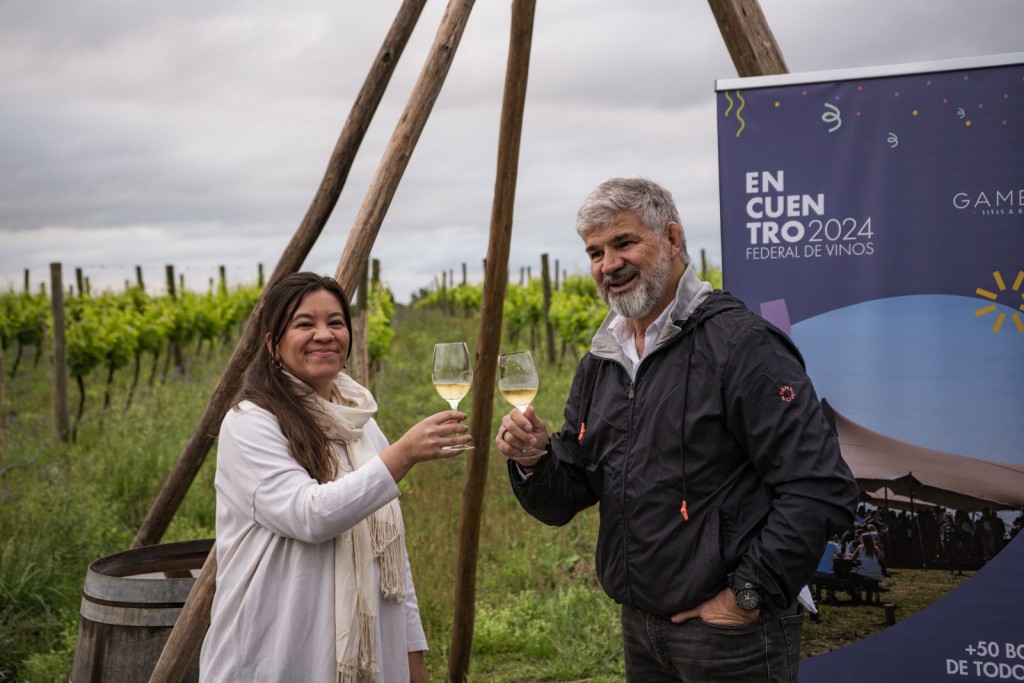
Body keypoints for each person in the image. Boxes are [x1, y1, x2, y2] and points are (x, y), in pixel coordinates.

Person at [495, 177, 859, 682]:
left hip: (731, 638)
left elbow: (819, 486)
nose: (609, 265)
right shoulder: (602, 361)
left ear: (670, 238)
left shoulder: (742, 346)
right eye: (595, 252)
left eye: (624, 243)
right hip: (641, 629)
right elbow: (572, 490)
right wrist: (534, 458)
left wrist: (746, 597)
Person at [200, 272, 472, 683]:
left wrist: (413, 653)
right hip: (277, 652)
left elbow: (390, 551)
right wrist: (403, 454)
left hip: (371, 657)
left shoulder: (359, 421)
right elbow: (310, 515)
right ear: (273, 344)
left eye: (336, 322)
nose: (324, 335)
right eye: (305, 324)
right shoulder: (250, 423)